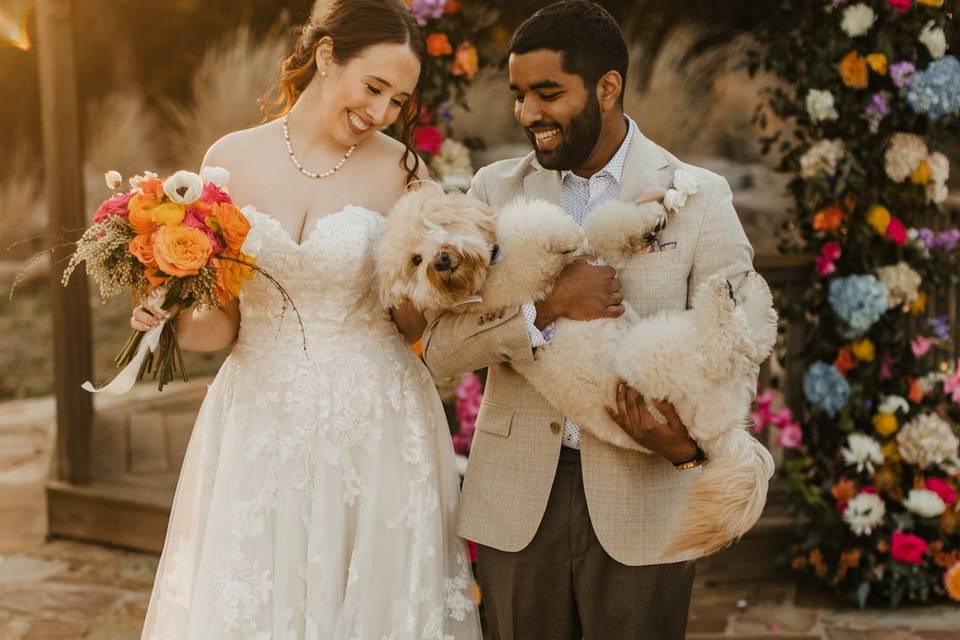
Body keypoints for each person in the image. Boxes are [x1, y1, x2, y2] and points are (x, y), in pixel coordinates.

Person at [135, 1, 480, 637]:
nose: (379, 113)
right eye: (373, 87)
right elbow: (220, 328)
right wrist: (170, 308)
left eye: (398, 101)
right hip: (259, 416)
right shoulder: (228, 161)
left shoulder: (404, 172)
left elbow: (411, 325)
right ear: (325, 57)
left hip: (373, 421)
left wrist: (437, 275)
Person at [421, 2, 765, 638]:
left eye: (548, 93)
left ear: (608, 87)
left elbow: (738, 346)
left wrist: (688, 451)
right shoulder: (493, 193)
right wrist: (548, 307)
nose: (528, 115)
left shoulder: (698, 195)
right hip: (518, 501)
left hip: (646, 496)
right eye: (519, 96)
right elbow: (439, 349)